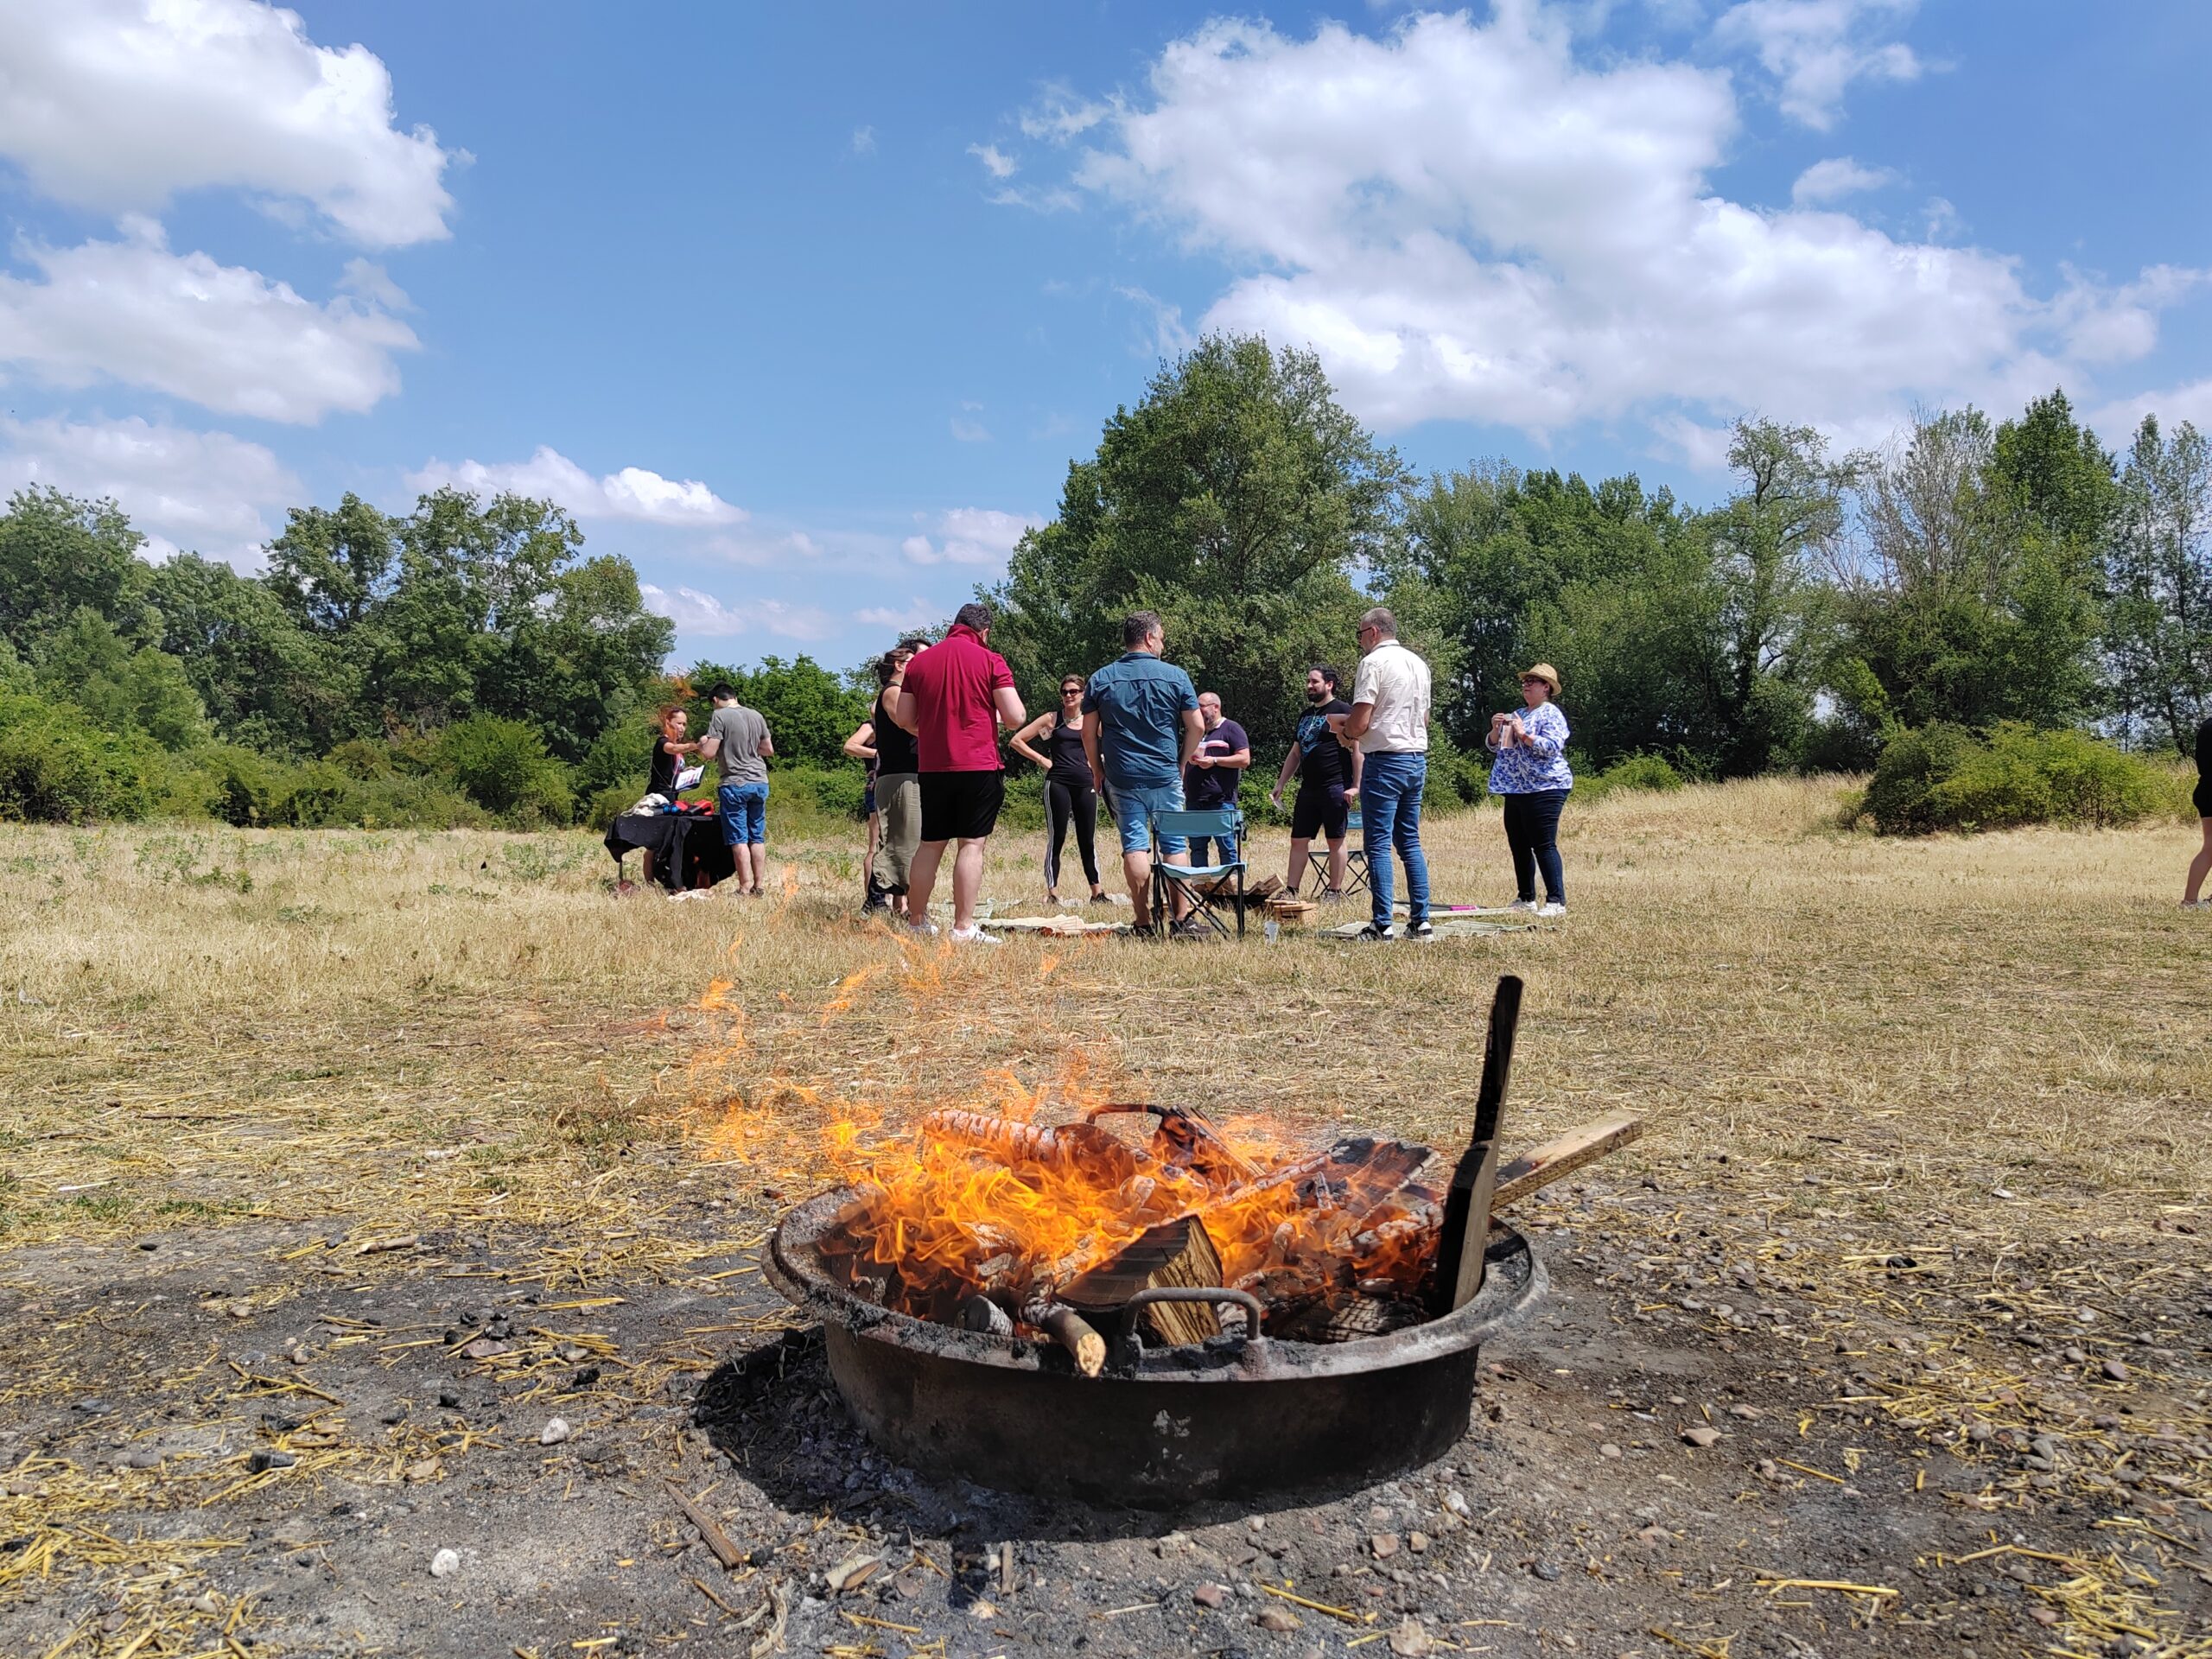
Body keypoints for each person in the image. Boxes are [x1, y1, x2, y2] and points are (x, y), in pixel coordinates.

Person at [886, 605, 1025, 943]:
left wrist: (933, 728)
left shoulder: (921, 662)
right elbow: (1015, 717)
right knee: (971, 846)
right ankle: (963, 927)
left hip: (933, 767)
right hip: (978, 764)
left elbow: (904, 718)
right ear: (984, 632)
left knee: (929, 846)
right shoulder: (991, 660)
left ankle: (917, 922)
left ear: (954, 626)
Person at [1084, 610, 1205, 935]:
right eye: (1161, 638)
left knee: (1135, 846)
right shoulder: (1176, 676)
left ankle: (1142, 922)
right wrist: (1182, 761)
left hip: (1122, 776)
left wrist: (1098, 770)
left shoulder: (1100, 678)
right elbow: (1197, 726)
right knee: (1175, 846)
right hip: (1165, 775)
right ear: (1149, 638)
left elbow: (1087, 733)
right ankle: (1182, 920)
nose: (1163, 644)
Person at [1329, 607, 1433, 942]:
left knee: (1377, 843)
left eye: (1359, 634)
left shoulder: (1373, 663)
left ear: (1373, 632)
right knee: (1410, 842)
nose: (1359, 641)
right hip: (1415, 758)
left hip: (1385, 761)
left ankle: (1382, 924)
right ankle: (1421, 921)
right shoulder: (1419, 664)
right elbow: (1425, 719)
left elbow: (1359, 721)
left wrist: (1343, 733)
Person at [1010, 674, 1109, 906]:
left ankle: (1097, 893)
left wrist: (1102, 760)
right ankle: (1053, 892)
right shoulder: (1052, 719)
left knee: (1087, 839)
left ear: (1083, 694)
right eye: (1064, 692)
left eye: (1073, 691)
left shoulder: (1092, 720)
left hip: (1087, 782)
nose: (1068, 696)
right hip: (1058, 783)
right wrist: (1042, 760)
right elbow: (1016, 740)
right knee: (1058, 837)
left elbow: (1116, 741)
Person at [1486, 662, 1573, 918]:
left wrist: (1524, 734)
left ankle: (1556, 901)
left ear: (1546, 688)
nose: (1526, 685)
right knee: (1519, 844)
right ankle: (1526, 898)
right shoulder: (1519, 713)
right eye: (1525, 682)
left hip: (1546, 786)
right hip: (1516, 788)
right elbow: (1499, 747)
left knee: (1543, 844)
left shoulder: (1551, 714)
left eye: (1532, 682)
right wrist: (1495, 729)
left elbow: (1552, 746)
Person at [1269, 664, 1361, 897]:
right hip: (1308, 789)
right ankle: (1291, 890)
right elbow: (1295, 753)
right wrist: (1281, 783)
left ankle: (1334, 891)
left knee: (1335, 840)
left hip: (1335, 786)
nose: (1309, 686)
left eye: (1315, 682)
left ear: (1329, 684)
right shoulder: (1306, 715)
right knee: (1298, 840)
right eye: (1308, 681)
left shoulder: (1344, 711)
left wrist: (1356, 786)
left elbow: (1358, 750)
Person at [867, 639, 928, 921]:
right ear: (900, 665)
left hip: (906, 775)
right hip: (900, 776)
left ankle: (899, 907)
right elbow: (909, 725)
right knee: (904, 844)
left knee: (906, 841)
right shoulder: (892, 692)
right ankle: (882, 902)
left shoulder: (900, 692)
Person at [699, 682, 774, 897]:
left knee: (739, 838)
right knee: (757, 836)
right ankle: (759, 886)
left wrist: (704, 742)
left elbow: (709, 753)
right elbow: (768, 749)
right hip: (759, 781)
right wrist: (748, 748)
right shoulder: (756, 715)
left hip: (735, 782)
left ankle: (744, 886)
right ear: (734, 696)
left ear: (715, 700)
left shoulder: (720, 716)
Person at [1183, 691, 1250, 868]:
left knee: (1226, 847)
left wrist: (1215, 761)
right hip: (1194, 801)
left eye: (1201, 706)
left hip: (1221, 802)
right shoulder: (1195, 733)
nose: (1197, 711)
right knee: (1197, 848)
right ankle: (1201, 890)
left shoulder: (1231, 729)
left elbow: (1244, 760)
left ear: (1216, 707)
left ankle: (1230, 891)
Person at [644, 705, 700, 892]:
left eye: (685, 724)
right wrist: (696, 746)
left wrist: (687, 773)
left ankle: (673, 879)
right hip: (658, 799)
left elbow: (673, 772)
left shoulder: (678, 752)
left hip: (672, 799)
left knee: (672, 840)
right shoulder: (663, 742)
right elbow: (673, 748)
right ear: (668, 723)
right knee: (654, 844)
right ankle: (650, 884)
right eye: (679, 723)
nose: (682, 728)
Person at [841, 708, 883, 911]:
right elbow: (850, 746)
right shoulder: (872, 726)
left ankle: (894, 901)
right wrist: (878, 754)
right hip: (876, 787)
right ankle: (872, 900)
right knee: (875, 846)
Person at [2185, 713, 2212, 909]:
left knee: (2210, 846)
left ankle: (2190, 901)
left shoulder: (2206, 726)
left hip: (2205, 790)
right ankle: (2190, 901)